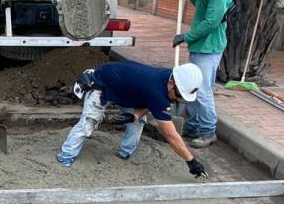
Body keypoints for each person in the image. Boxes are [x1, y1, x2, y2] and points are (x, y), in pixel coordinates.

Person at [56, 61, 208, 178]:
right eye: (180, 95)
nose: (178, 100)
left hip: (127, 90)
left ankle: (124, 153)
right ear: (171, 84)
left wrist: (134, 115)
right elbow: (171, 136)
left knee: (138, 122)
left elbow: (152, 102)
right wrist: (191, 161)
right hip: (102, 83)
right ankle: (65, 157)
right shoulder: (156, 91)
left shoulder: (167, 78)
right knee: (88, 123)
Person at [173, 0, 233, 148]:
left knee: (203, 91)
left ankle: (208, 131)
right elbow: (198, 1)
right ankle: (192, 125)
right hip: (199, 46)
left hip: (209, 48)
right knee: (193, 87)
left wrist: (186, 36)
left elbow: (211, 22)